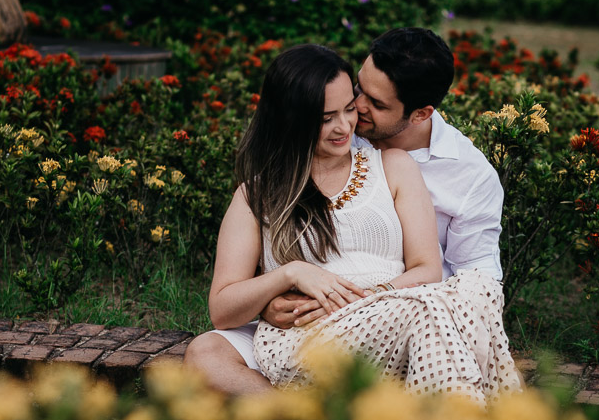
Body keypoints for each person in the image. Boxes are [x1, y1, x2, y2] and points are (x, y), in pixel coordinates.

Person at [185, 28, 507, 394]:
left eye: (359, 108)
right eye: (357, 94)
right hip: (304, 328)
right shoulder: (262, 189)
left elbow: (460, 279)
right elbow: (225, 303)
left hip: (411, 315)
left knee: (450, 301)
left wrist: (362, 302)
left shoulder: (448, 174)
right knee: (204, 354)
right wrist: (283, 285)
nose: (352, 120)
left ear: (421, 114)